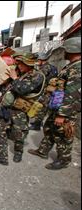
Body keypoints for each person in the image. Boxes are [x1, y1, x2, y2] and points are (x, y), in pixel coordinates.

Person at [28, 37, 81, 170]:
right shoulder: (71, 65)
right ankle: (43, 151)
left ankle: (64, 159)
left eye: (65, 50)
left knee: (64, 135)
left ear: (72, 50)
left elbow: (72, 93)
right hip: (58, 105)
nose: (64, 52)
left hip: (67, 109)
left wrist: (62, 114)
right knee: (49, 128)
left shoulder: (78, 68)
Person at [0, 52, 45, 165]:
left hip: (20, 110)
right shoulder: (19, 72)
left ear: (28, 64)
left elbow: (22, 90)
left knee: (19, 134)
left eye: (21, 64)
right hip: (6, 107)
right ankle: (2, 156)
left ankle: (18, 152)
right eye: (18, 63)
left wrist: (14, 78)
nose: (18, 66)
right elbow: (6, 87)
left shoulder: (37, 76)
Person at [29, 48, 58, 130]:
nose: (37, 62)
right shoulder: (53, 67)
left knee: (41, 107)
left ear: (41, 59)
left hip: (46, 91)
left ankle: (37, 125)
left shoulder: (45, 68)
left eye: (38, 60)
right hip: (51, 90)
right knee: (43, 107)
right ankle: (37, 123)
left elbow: (37, 80)